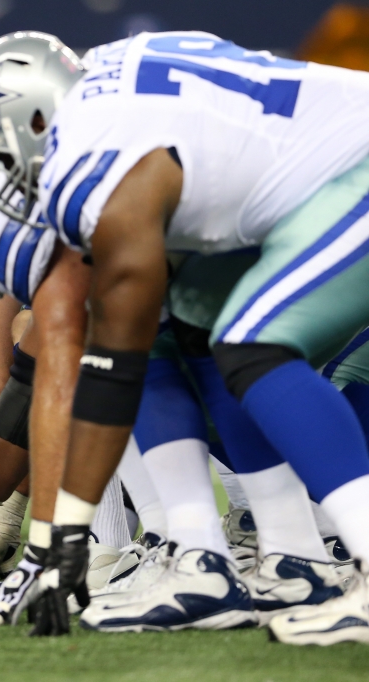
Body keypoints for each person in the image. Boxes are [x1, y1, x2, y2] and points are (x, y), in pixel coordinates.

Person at [27, 30, 369, 645]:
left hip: (352, 166)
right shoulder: (111, 95)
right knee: (181, 331)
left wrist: (64, 532)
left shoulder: (97, 163)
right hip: (318, 177)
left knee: (252, 345)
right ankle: (234, 559)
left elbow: (110, 371)